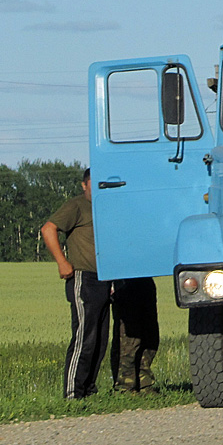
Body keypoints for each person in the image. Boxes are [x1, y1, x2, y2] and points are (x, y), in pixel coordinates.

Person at [41, 168, 110, 400]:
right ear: (84, 185)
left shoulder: (104, 207)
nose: (96, 186)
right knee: (84, 337)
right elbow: (48, 229)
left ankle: (89, 390)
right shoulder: (76, 206)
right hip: (83, 278)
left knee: (100, 340)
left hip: (104, 279)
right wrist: (62, 262)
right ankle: (73, 393)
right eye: (92, 182)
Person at [110, 276, 160, 394]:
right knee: (129, 340)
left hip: (144, 279)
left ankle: (144, 383)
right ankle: (125, 386)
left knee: (150, 337)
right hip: (124, 280)